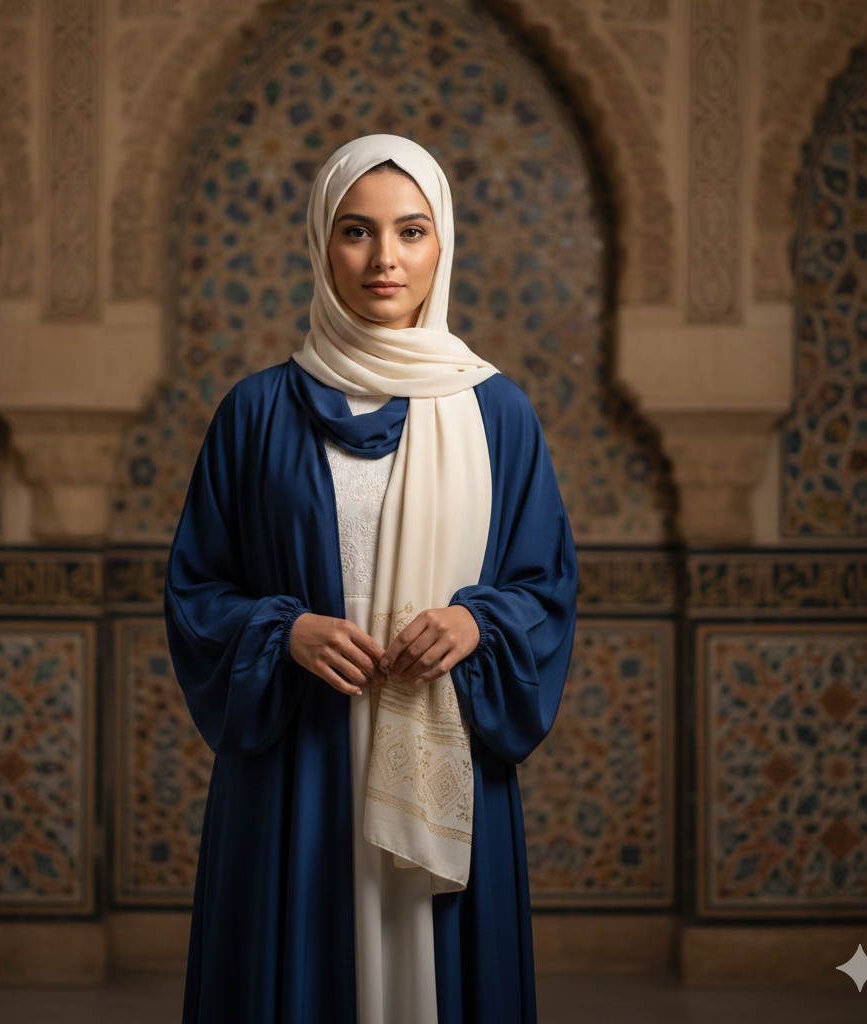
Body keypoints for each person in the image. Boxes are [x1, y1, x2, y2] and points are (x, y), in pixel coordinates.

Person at [164, 134, 578, 1024]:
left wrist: (476, 624)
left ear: (442, 245)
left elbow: (544, 586)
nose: (385, 258)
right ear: (321, 243)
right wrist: (285, 632)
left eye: (410, 231)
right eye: (356, 231)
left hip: (443, 740)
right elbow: (197, 591)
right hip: (298, 751)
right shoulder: (256, 412)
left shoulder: (496, 412)